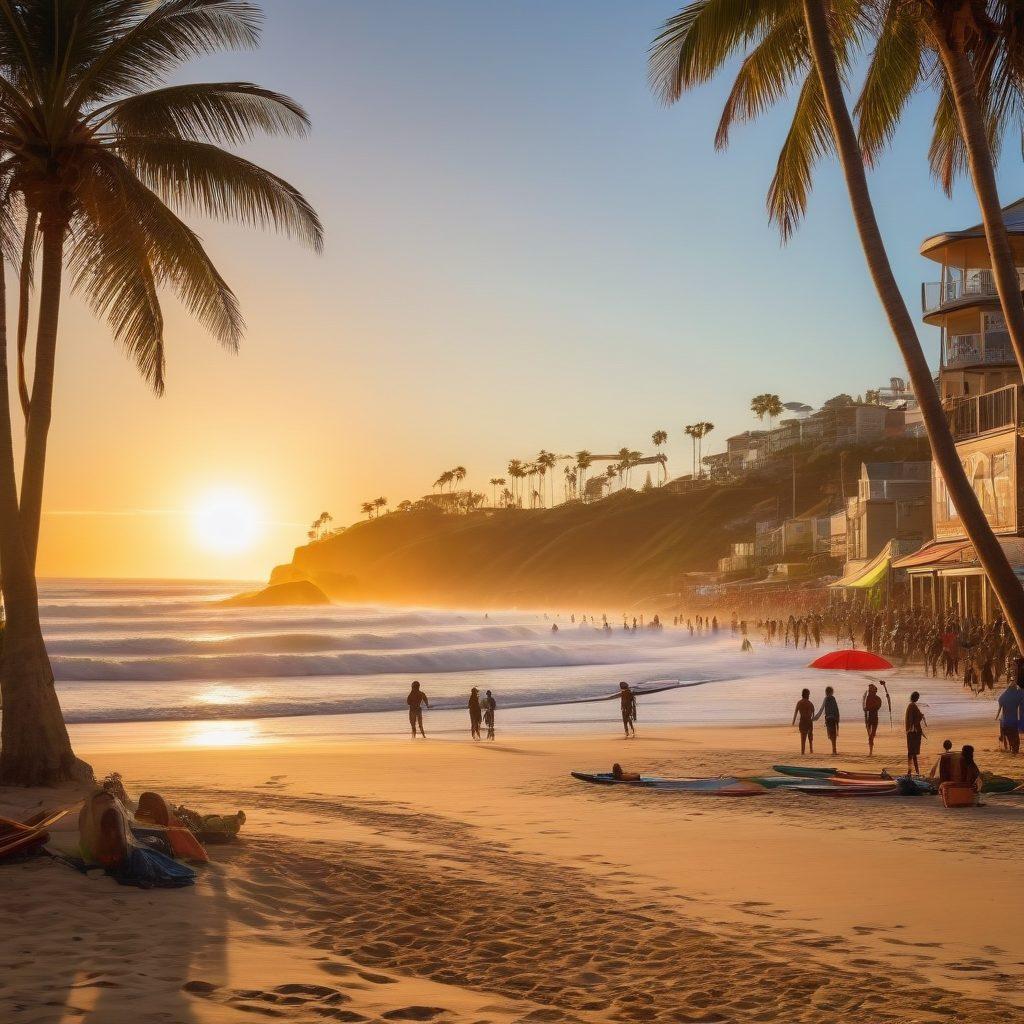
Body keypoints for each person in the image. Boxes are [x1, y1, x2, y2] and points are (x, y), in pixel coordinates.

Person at [996, 677, 1022, 755]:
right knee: (1015, 739)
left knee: (1007, 736)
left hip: (1004, 722)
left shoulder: (1004, 695)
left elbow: (1000, 703)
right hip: (1013, 721)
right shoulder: (1017, 695)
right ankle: (1014, 750)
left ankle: (1003, 740)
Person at [814, 685, 840, 756]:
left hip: (828, 719)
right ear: (831, 692)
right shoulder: (833, 698)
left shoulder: (826, 699)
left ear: (826, 692)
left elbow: (821, 709)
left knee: (831, 734)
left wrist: (815, 718)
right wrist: (838, 718)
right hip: (833, 718)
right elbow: (836, 709)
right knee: (833, 734)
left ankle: (834, 750)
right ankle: (834, 750)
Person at [905, 691, 926, 775]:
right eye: (917, 697)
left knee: (912, 753)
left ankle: (913, 771)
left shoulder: (911, 705)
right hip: (913, 732)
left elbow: (911, 719)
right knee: (912, 753)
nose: (918, 699)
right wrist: (921, 716)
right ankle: (913, 771)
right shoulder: (912, 706)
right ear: (915, 698)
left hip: (911, 732)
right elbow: (913, 720)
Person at [792, 688, 815, 755]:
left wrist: (793, 721)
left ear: (802, 694)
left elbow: (795, 712)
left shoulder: (799, 703)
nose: (809, 696)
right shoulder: (810, 703)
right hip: (809, 722)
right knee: (810, 737)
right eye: (809, 694)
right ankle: (811, 750)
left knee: (803, 738)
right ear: (807, 695)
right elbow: (813, 714)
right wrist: (812, 718)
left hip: (802, 721)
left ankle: (803, 752)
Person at [863, 683, 883, 756]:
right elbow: (866, 706)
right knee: (870, 736)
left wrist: (867, 708)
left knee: (872, 735)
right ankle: (870, 751)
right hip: (868, 718)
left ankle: (871, 751)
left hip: (874, 718)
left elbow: (877, 706)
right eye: (869, 690)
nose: (870, 691)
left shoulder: (878, 698)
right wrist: (866, 708)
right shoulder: (868, 697)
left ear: (874, 691)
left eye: (871, 690)